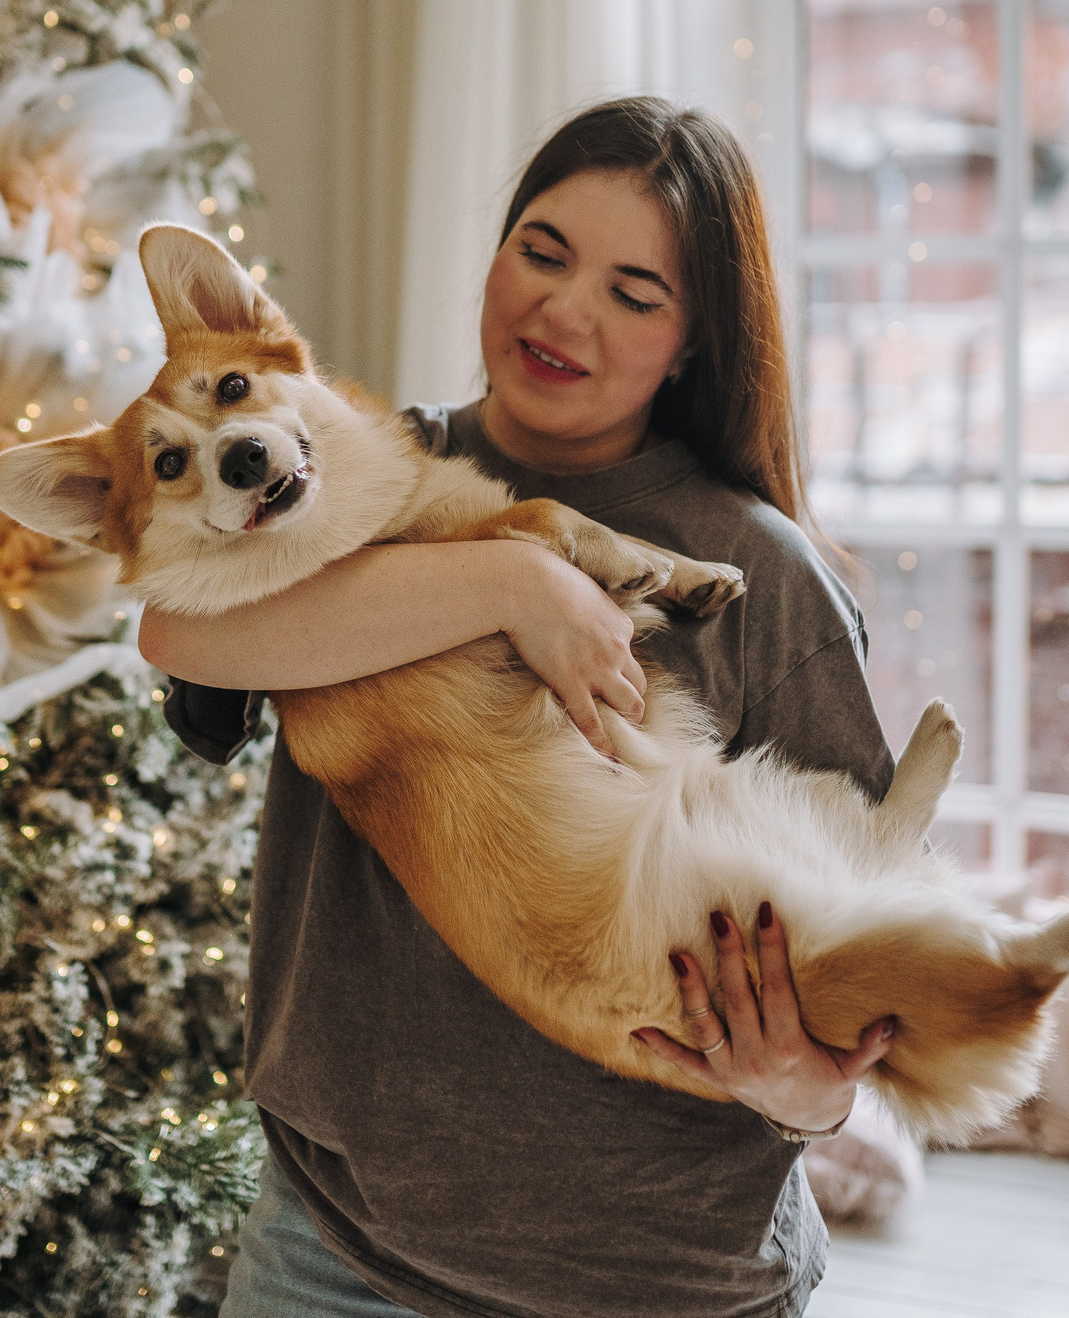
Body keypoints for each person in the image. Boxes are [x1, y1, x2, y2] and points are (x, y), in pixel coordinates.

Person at [141, 98, 898, 1318]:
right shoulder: (341, 476)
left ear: (696, 341)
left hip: (657, 1278)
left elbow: (875, 984)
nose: (562, 310)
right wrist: (514, 578)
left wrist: (803, 1087)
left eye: (634, 291)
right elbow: (184, 627)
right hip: (335, 1251)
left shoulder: (762, 575)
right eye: (541, 251)